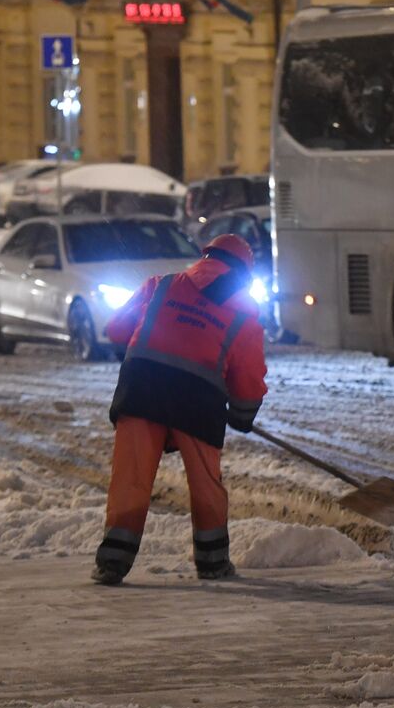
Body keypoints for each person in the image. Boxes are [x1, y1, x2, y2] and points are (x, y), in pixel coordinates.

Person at [91, 233, 268, 586]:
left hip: (143, 387)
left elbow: (115, 329)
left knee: (131, 477)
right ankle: (213, 563)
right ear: (243, 273)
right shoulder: (244, 309)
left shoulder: (160, 285)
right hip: (198, 400)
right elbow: (248, 372)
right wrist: (243, 413)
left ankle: (112, 561)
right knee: (206, 483)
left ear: (205, 257)